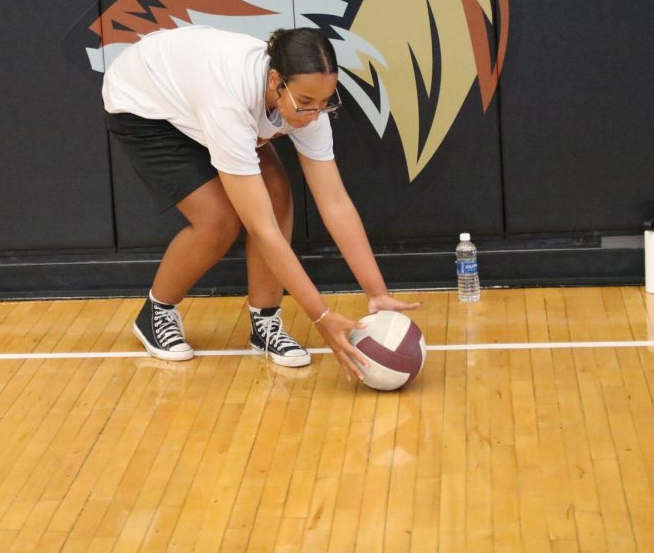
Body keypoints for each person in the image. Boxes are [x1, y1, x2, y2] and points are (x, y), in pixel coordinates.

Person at [102, 25, 419, 381]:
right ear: (274, 82)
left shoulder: (308, 103)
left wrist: (376, 293)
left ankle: (265, 322)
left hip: (199, 94)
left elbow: (335, 203)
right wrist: (321, 317)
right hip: (146, 103)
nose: (314, 114)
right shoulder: (229, 99)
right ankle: (156, 311)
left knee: (277, 194)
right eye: (305, 103)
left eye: (325, 102)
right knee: (219, 220)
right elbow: (262, 229)